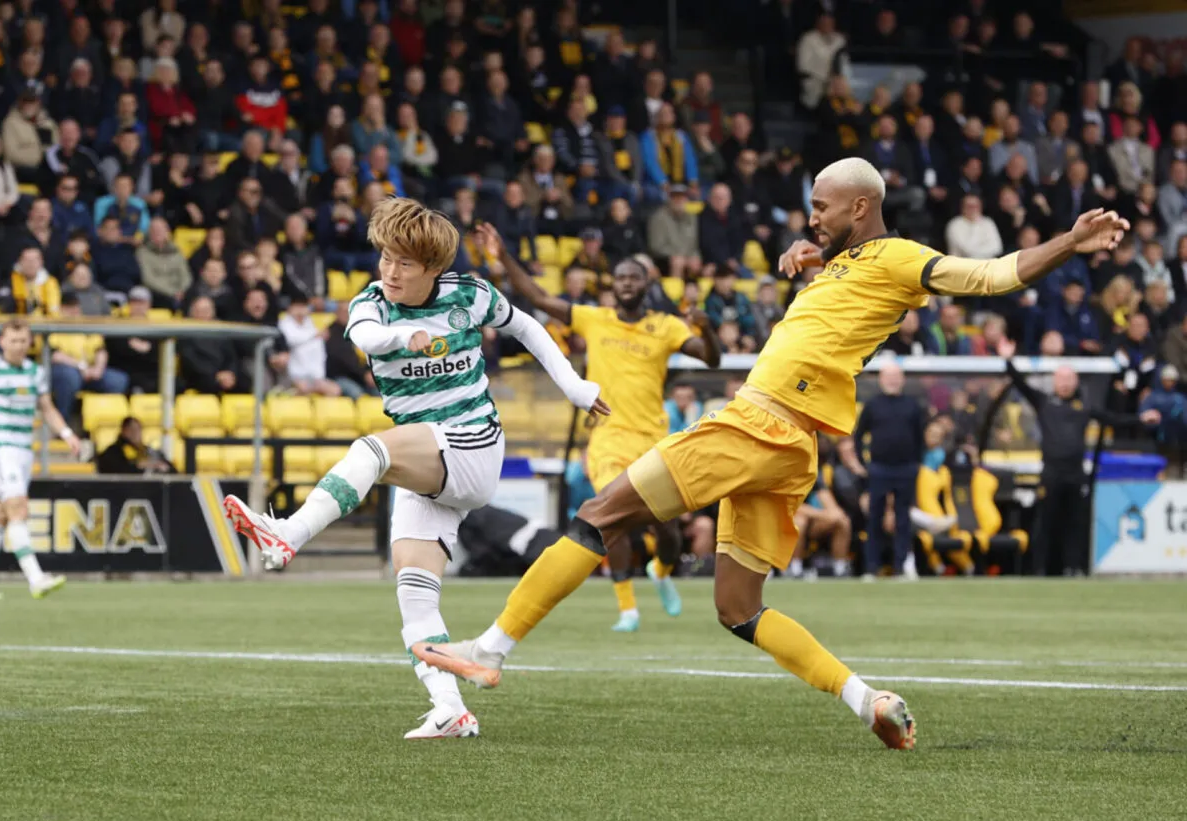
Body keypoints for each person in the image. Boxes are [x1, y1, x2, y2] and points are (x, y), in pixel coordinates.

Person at [416, 157, 1133, 751]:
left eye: (821, 206)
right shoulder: (845, 257)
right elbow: (844, 272)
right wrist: (816, 257)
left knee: (600, 514)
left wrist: (1068, 242)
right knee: (737, 608)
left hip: (761, 422)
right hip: (791, 446)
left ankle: (492, 650)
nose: (810, 215)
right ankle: (868, 700)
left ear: (860, 205)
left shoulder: (901, 257)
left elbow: (992, 277)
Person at [223, 198, 608, 741]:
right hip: (427, 458)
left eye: (404, 262)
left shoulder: (469, 295)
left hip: (471, 443)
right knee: (415, 590)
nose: (390, 271)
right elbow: (366, 338)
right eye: (385, 257)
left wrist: (575, 388)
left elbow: (528, 327)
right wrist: (407, 337)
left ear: (433, 267)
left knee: (371, 451)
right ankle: (451, 709)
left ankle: (288, 534)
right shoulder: (372, 304)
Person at [477, 219, 721, 632]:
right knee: (615, 519)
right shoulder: (595, 318)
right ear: (613, 285)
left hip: (653, 439)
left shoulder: (666, 327)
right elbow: (537, 296)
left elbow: (711, 359)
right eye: (620, 278)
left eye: (634, 278)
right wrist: (502, 257)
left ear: (647, 284)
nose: (626, 283)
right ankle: (628, 608)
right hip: (607, 439)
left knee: (668, 532)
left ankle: (661, 571)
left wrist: (708, 328)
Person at [1000, 340, 1160, 576]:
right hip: (1051, 473)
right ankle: (1039, 569)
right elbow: (1020, 383)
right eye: (1060, 379)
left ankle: (1073, 568)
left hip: (1075, 473)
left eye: (1068, 379)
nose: (1064, 384)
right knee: (1045, 522)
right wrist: (1008, 360)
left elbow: (1113, 418)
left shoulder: (1084, 406)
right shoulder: (1044, 401)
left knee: (1075, 523)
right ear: (1054, 382)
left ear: (1075, 382)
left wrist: (1140, 419)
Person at [0, 318, 80, 599]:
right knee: (18, 508)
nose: (18, 346)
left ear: (30, 342)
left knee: (1, 515)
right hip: (1, 448)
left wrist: (67, 434)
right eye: (13, 340)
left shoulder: (35, 372)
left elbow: (47, 408)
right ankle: (35, 578)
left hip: (25, 450)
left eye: (23, 340)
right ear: (2, 341)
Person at [852, 362, 925, 581]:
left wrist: (916, 465)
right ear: (881, 380)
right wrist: (865, 465)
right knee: (875, 518)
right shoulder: (873, 406)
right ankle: (871, 567)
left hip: (905, 469)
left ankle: (901, 566)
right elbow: (858, 435)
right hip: (879, 469)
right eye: (888, 376)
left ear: (902, 380)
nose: (892, 381)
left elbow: (920, 437)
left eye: (896, 376)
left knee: (903, 519)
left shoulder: (912, 405)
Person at [48, 290, 132, 420]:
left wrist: (98, 369)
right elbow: (55, 356)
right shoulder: (54, 326)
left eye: (75, 306)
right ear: (61, 308)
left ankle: (103, 422)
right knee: (68, 377)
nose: (73, 310)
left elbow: (100, 349)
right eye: (68, 307)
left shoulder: (86, 324)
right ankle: (63, 422)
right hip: (66, 371)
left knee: (119, 380)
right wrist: (81, 367)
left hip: (90, 371)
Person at [96, 416, 173, 474]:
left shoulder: (148, 451)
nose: (135, 433)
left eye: (138, 429)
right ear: (123, 431)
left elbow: (170, 468)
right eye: (131, 429)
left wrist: (159, 465)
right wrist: (138, 466)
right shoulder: (113, 452)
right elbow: (115, 470)